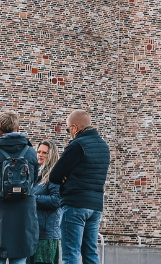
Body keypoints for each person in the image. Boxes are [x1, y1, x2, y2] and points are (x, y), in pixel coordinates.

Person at [47, 111, 108, 264]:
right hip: (95, 206)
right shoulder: (103, 146)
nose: (69, 133)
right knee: (90, 252)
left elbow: (54, 175)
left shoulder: (77, 145)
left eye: (68, 129)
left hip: (75, 205)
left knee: (71, 253)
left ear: (74, 127)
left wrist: (65, 175)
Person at [0, 112, 39, 264]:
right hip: (23, 214)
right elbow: (34, 181)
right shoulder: (31, 152)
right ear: (18, 129)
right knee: (19, 258)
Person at [31, 141, 61, 264]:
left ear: (51, 155)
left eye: (45, 153)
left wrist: (32, 198)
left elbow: (56, 200)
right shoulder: (36, 174)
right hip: (34, 232)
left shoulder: (55, 175)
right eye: (38, 152)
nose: (40, 155)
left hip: (46, 234)